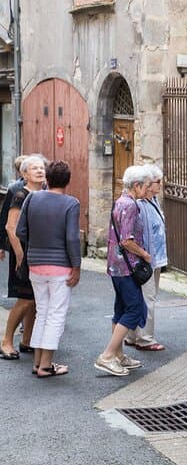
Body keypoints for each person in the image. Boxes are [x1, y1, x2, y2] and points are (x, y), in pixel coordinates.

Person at [15, 161, 81, 377]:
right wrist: (76, 266)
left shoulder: (32, 198)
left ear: (47, 179)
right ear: (68, 181)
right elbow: (72, 238)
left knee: (42, 312)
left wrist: (36, 244)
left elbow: (21, 230)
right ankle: (45, 365)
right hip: (60, 267)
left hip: (35, 264)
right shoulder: (71, 203)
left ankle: (37, 362)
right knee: (56, 314)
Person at [94, 165, 152, 376]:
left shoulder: (120, 201)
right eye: (146, 186)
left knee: (121, 309)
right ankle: (108, 355)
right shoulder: (130, 205)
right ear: (136, 186)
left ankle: (118, 355)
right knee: (134, 309)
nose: (148, 190)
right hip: (127, 267)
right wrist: (144, 254)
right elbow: (126, 240)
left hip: (116, 266)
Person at [1, 155, 46, 361]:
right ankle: (6, 342)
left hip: (38, 251)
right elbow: (11, 227)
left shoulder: (44, 194)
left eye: (42, 168)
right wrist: (19, 255)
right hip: (24, 252)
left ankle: (27, 339)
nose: (39, 171)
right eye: (34, 168)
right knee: (25, 299)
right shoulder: (21, 194)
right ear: (24, 174)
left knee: (35, 299)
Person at [125, 164, 168, 351]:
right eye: (158, 182)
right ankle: (145, 338)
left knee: (143, 297)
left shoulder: (154, 201)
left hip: (155, 257)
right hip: (147, 259)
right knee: (147, 298)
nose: (160, 185)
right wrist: (145, 255)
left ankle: (133, 335)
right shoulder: (140, 205)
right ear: (148, 184)